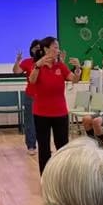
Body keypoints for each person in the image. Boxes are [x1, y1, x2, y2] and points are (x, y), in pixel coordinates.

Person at [28, 36, 81, 173]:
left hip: (60, 113)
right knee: (44, 147)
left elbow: (74, 79)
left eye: (58, 47)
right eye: (55, 47)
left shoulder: (60, 66)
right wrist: (38, 66)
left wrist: (78, 69)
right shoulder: (37, 65)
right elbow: (32, 81)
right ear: (46, 49)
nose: (58, 50)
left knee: (63, 146)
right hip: (41, 113)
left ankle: (63, 176)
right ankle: (45, 177)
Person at [13, 40, 41, 155]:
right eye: (35, 48)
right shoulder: (27, 62)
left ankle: (43, 144)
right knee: (30, 121)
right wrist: (17, 61)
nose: (37, 50)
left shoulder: (46, 61)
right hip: (30, 96)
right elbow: (16, 71)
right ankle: (31, 145)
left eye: (39, 47)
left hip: (43, 96)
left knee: (42, 122)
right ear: (31, 49)